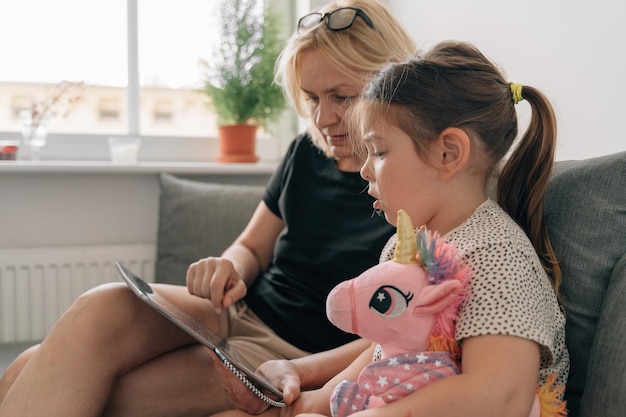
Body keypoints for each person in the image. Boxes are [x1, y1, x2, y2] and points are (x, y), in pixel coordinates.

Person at [0, 1, 416, 416]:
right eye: (310, 99)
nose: (323, 118)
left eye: (341, 97)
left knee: (40, 372)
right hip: (237, 310)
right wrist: (229, 266)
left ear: (391, 83)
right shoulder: (305, 153)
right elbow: (252, 248)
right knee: (101, 306)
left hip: (292, 350)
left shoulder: (414, 182)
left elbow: (404, 326)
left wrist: (304, 371)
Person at [214, 40, 569, 417]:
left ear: (448, 153)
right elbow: (382, 351)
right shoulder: (410, 248)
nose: (366, 170)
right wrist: (299, 396)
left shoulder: (495, 256)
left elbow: (500, 396)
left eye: (379, 152)